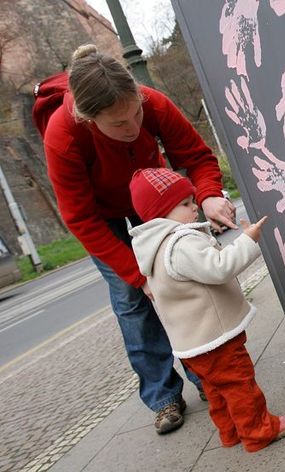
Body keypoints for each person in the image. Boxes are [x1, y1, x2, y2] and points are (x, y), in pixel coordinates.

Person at [40, 44, 238, 434]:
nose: (132, 128)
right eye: (118, 124)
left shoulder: (154, 103)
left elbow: (196, 157)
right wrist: (137, 274)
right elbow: (80, 217)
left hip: (153, 197)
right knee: (133, 300)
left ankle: (207, 376)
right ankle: (163, 396)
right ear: (86, 117)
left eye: (136, 114)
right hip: (104, 215)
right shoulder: (62, 137)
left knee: (181, 280)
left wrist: (210, 193)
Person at [128, 167, 285, 452]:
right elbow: (219, 268)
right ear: (160, 212)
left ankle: (230, 432)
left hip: (191, 344)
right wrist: (248, 240)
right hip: (215, 337)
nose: (194, 207)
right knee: (239, 384)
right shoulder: (180, 243)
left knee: (216, 391)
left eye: (191, 200)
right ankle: (258, 432)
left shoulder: (152, 247)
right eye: (184, 204)